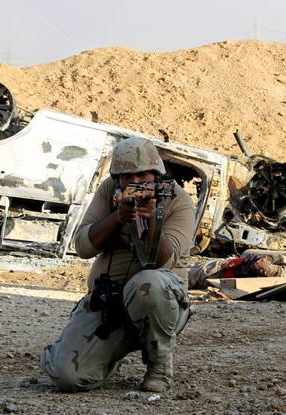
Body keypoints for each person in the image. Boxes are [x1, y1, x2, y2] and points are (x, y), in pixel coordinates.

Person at [41, 136, 195, 393]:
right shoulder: (108, 192)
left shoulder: (177, 200)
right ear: (117, 179)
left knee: (150, 282)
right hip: (109, 304)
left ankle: (159, 363)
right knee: (66, 376)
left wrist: (152, 219)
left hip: (158, 303)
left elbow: (165, 260)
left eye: (143, 175)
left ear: (157, 175)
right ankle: (106, 357)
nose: (136, 182)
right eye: (127, 176)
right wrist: (117, 218)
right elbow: (82, 247)